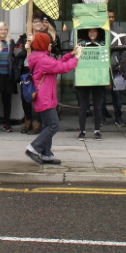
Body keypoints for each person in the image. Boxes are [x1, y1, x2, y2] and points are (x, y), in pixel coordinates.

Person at [25, 32, 84, 165]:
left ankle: (46, 154)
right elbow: (63, 67)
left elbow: (57, 63)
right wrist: (77, 57)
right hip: (45, 98)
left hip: (44, 97)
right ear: (44, 44)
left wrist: (71, 54)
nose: (51, 44)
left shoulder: (39, 57)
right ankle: (34, 148)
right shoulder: (43, 60)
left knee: (48, 125)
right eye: (49, 42)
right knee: (53, 125)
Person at [15, 14, 48, 134]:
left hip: (39, 70)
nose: (38, 24)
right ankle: (28, 120)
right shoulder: (23, 37)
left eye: (39, 21)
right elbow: (16, 52)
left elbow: (49, 50)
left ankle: (39, 121)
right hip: (26, 69)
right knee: (25, 96)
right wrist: (25, 48)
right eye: (35, 21)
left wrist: (34, 45)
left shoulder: (45, 36)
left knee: (39, 96)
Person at [76, 27, 109, 141]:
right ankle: (82, 131)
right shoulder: (81, 44)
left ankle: (97, 131)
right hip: (84, 76)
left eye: (94, 31)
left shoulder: (103, 44)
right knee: (83, 106)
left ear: (98, 32)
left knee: (98, 106)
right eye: (90, 31)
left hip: (98, 77)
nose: (92, 33)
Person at [0, 21, 17, 132]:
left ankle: (7, 123)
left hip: (8, 76)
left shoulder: (11, 43)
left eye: (5, 29)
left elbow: (15, 57)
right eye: (1, 29)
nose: (3, 31)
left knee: (7, 101)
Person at [106, 10, 126, 128]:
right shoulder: (100, 29)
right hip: (104, 66)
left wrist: (121, 64)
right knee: (101, 94)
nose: (111, 19)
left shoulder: (120, 30)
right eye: (109, 17)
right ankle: (103, 116)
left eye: (113, 17)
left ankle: (118, 116)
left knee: (117, 93)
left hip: (116, 66)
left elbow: (123, 49)